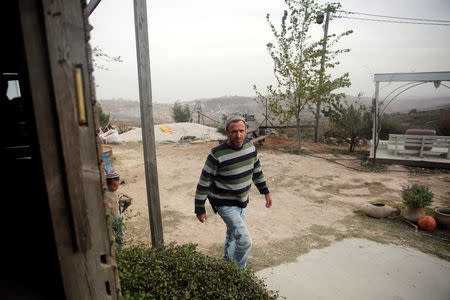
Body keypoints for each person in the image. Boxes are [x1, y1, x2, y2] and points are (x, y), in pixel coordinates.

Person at [194, 115, 272, 268]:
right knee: (244, 240)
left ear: (246, 131)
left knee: (233, 236)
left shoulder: (250, 148)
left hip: (242, 201)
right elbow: (204, 183)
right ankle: (238, 273)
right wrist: (200, 208)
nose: (238, 135)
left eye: (241, 131)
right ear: (227, 133)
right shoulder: (216, 154)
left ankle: (227, 265)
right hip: (224, 204)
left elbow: (257, 171)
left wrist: (266, 193)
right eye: (234, 132)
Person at [105, 172, 132, 248]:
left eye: (118, 185)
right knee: (109, 236)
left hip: (117, 216)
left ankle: (120, 250)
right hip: (110, 218)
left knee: (120, 235)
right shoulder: (105, 194)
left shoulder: (115, 190)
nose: (116, 187)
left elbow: (120, 193)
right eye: (114, 186)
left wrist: (128, 196)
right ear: (107, 184)